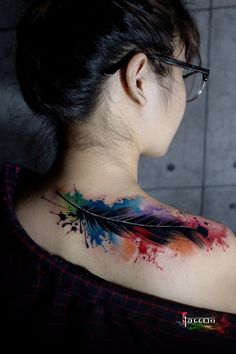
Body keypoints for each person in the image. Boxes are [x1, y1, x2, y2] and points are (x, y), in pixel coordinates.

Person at [0, 0, 236, 352]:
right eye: (182, 72)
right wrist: (184, 320)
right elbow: (206, 325)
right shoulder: (211, 254)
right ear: (138, 76)